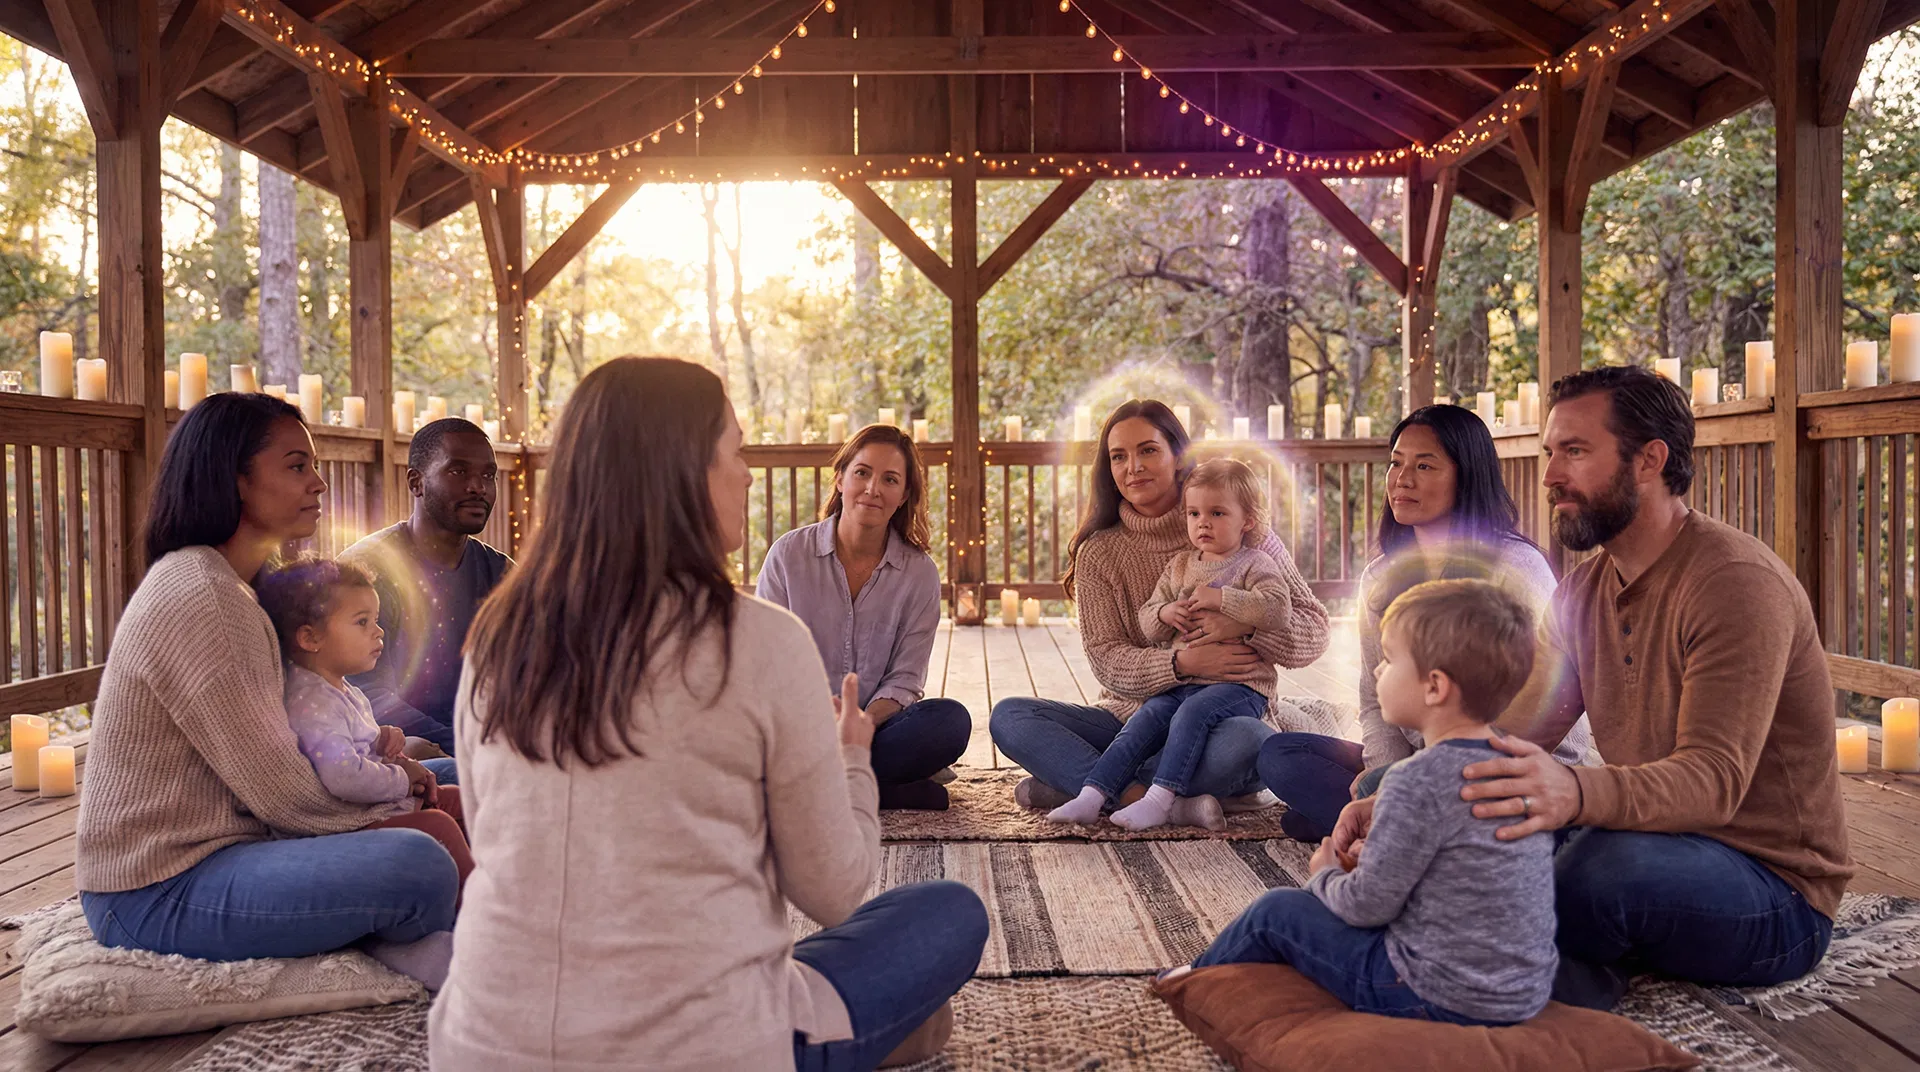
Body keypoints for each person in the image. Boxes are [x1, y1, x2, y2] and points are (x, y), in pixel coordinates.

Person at [430, 358, 987, 1072]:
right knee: (948, 914)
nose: (749, 475)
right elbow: (835, 891)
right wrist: (851, 759)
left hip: (479, 1045)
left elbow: (489, 831)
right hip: (698, 1049)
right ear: (684, 472)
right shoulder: (759, 638)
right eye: (737, 452)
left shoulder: (500, 633)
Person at [1332, 365, 1853, 1010]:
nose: (1550, 475)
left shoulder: (1735, 583)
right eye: (1551, 452)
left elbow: (1713, 782)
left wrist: (1572, 791)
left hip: (1769, 889)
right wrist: (1406, 796)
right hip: (1643, 833)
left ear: (1649, 461)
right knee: (1418, 804)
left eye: (1575, 452)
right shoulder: (1581, 593)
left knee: (1594, 873)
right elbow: (1512, 734)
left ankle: (1470, 978)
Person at [75, 393, 458, 989]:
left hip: (241, 844)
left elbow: (305, 744)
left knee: (458, 777)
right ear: (235, 479)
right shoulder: (204, 597)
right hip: (157, 886)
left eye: (314, 465)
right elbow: (286, 797)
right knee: (419, 862)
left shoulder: (244, 587)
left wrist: (399, 769)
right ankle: (435, 934)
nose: (319, 482)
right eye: (297, 466)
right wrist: (399, 798)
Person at [1181, 579, 1557, 1026]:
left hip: (1435, 994)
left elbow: (1365, 906)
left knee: (1274, 911)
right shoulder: (1523, 769)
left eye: (1390, 660)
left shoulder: (1412, 781)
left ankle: (1185, 983)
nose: (1378, 671)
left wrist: (1326, 875)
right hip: (1523, 993)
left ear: (1435, 687)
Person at [1258, 405, 1593, 842]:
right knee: (1281, 754)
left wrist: (1420, 781)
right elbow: (1374, 698)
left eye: (1424, 466)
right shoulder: (1380, 576)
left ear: (1466, 476)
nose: (1402, 479)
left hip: (1510, 770)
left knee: (1333, 803)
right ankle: (1391, 825)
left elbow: (1546, 709)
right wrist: (1387, 773)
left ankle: (1376, 829)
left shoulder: (1515, 569)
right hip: (1418, 763)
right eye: (1396, 463)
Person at [990, 400, 1333, 817]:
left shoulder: (1243, 531)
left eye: (1148, 450)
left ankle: (1088, 786)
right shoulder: (1099, 552)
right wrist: (1181, 663)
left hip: (1218, 720)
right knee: (1011, 717)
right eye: (1119, 456)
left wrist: (1241, 626)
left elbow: (1314, 631)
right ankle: (1152, 800)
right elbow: (1106, 659)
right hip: (1130, 722)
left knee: (1250, 741)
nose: (1133, 467)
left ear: (1178, 457)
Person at [1047, 459, 1294, 831]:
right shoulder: (1180, 566)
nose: (1203, 523)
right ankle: (1091, 795)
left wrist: (1223, 599)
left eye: (1217, 513)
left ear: (1247, 520)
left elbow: (1278, 609)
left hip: (1240, 687)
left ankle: (1158, 801)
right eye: (1194, 513)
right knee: (1146, 717)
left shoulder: (1255, 564)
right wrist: (1165, 613)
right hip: (1181, 684)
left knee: (1198, 717)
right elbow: (1148, 622)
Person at [757, 424, 971, 811]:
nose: (873, 489)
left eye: (890, 479)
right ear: (840, 479)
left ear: (903, 496)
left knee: (949, 722)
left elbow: (906, 678)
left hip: (875, 730)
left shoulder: (919, 573)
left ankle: (822, 786)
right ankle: (885, 791)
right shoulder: (788, 556)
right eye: (862, 472)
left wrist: (862, 727)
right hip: (800, 728)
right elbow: (768, 666)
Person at [257, 553, 474, 899]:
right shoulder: (312, 702)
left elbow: (350, 743)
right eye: (362, 622)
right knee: (439, 824)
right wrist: (403, 779)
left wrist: (380, 739)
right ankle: (472, 908)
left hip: (372, 808)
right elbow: (343, 775)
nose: (378, 630)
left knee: (463, 802)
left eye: (375, 619)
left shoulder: (341, 688)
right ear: (311, 638)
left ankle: (503, 883)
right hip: (347, 823)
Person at [344, 417, 511, 762]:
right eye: (458, 471)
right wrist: (470, 750)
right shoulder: (365, 570)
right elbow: (366, 694)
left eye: (488, 475)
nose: (477, 487)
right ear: (416, 482)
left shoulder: (503, 575)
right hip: (395, 755)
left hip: (488, 748)